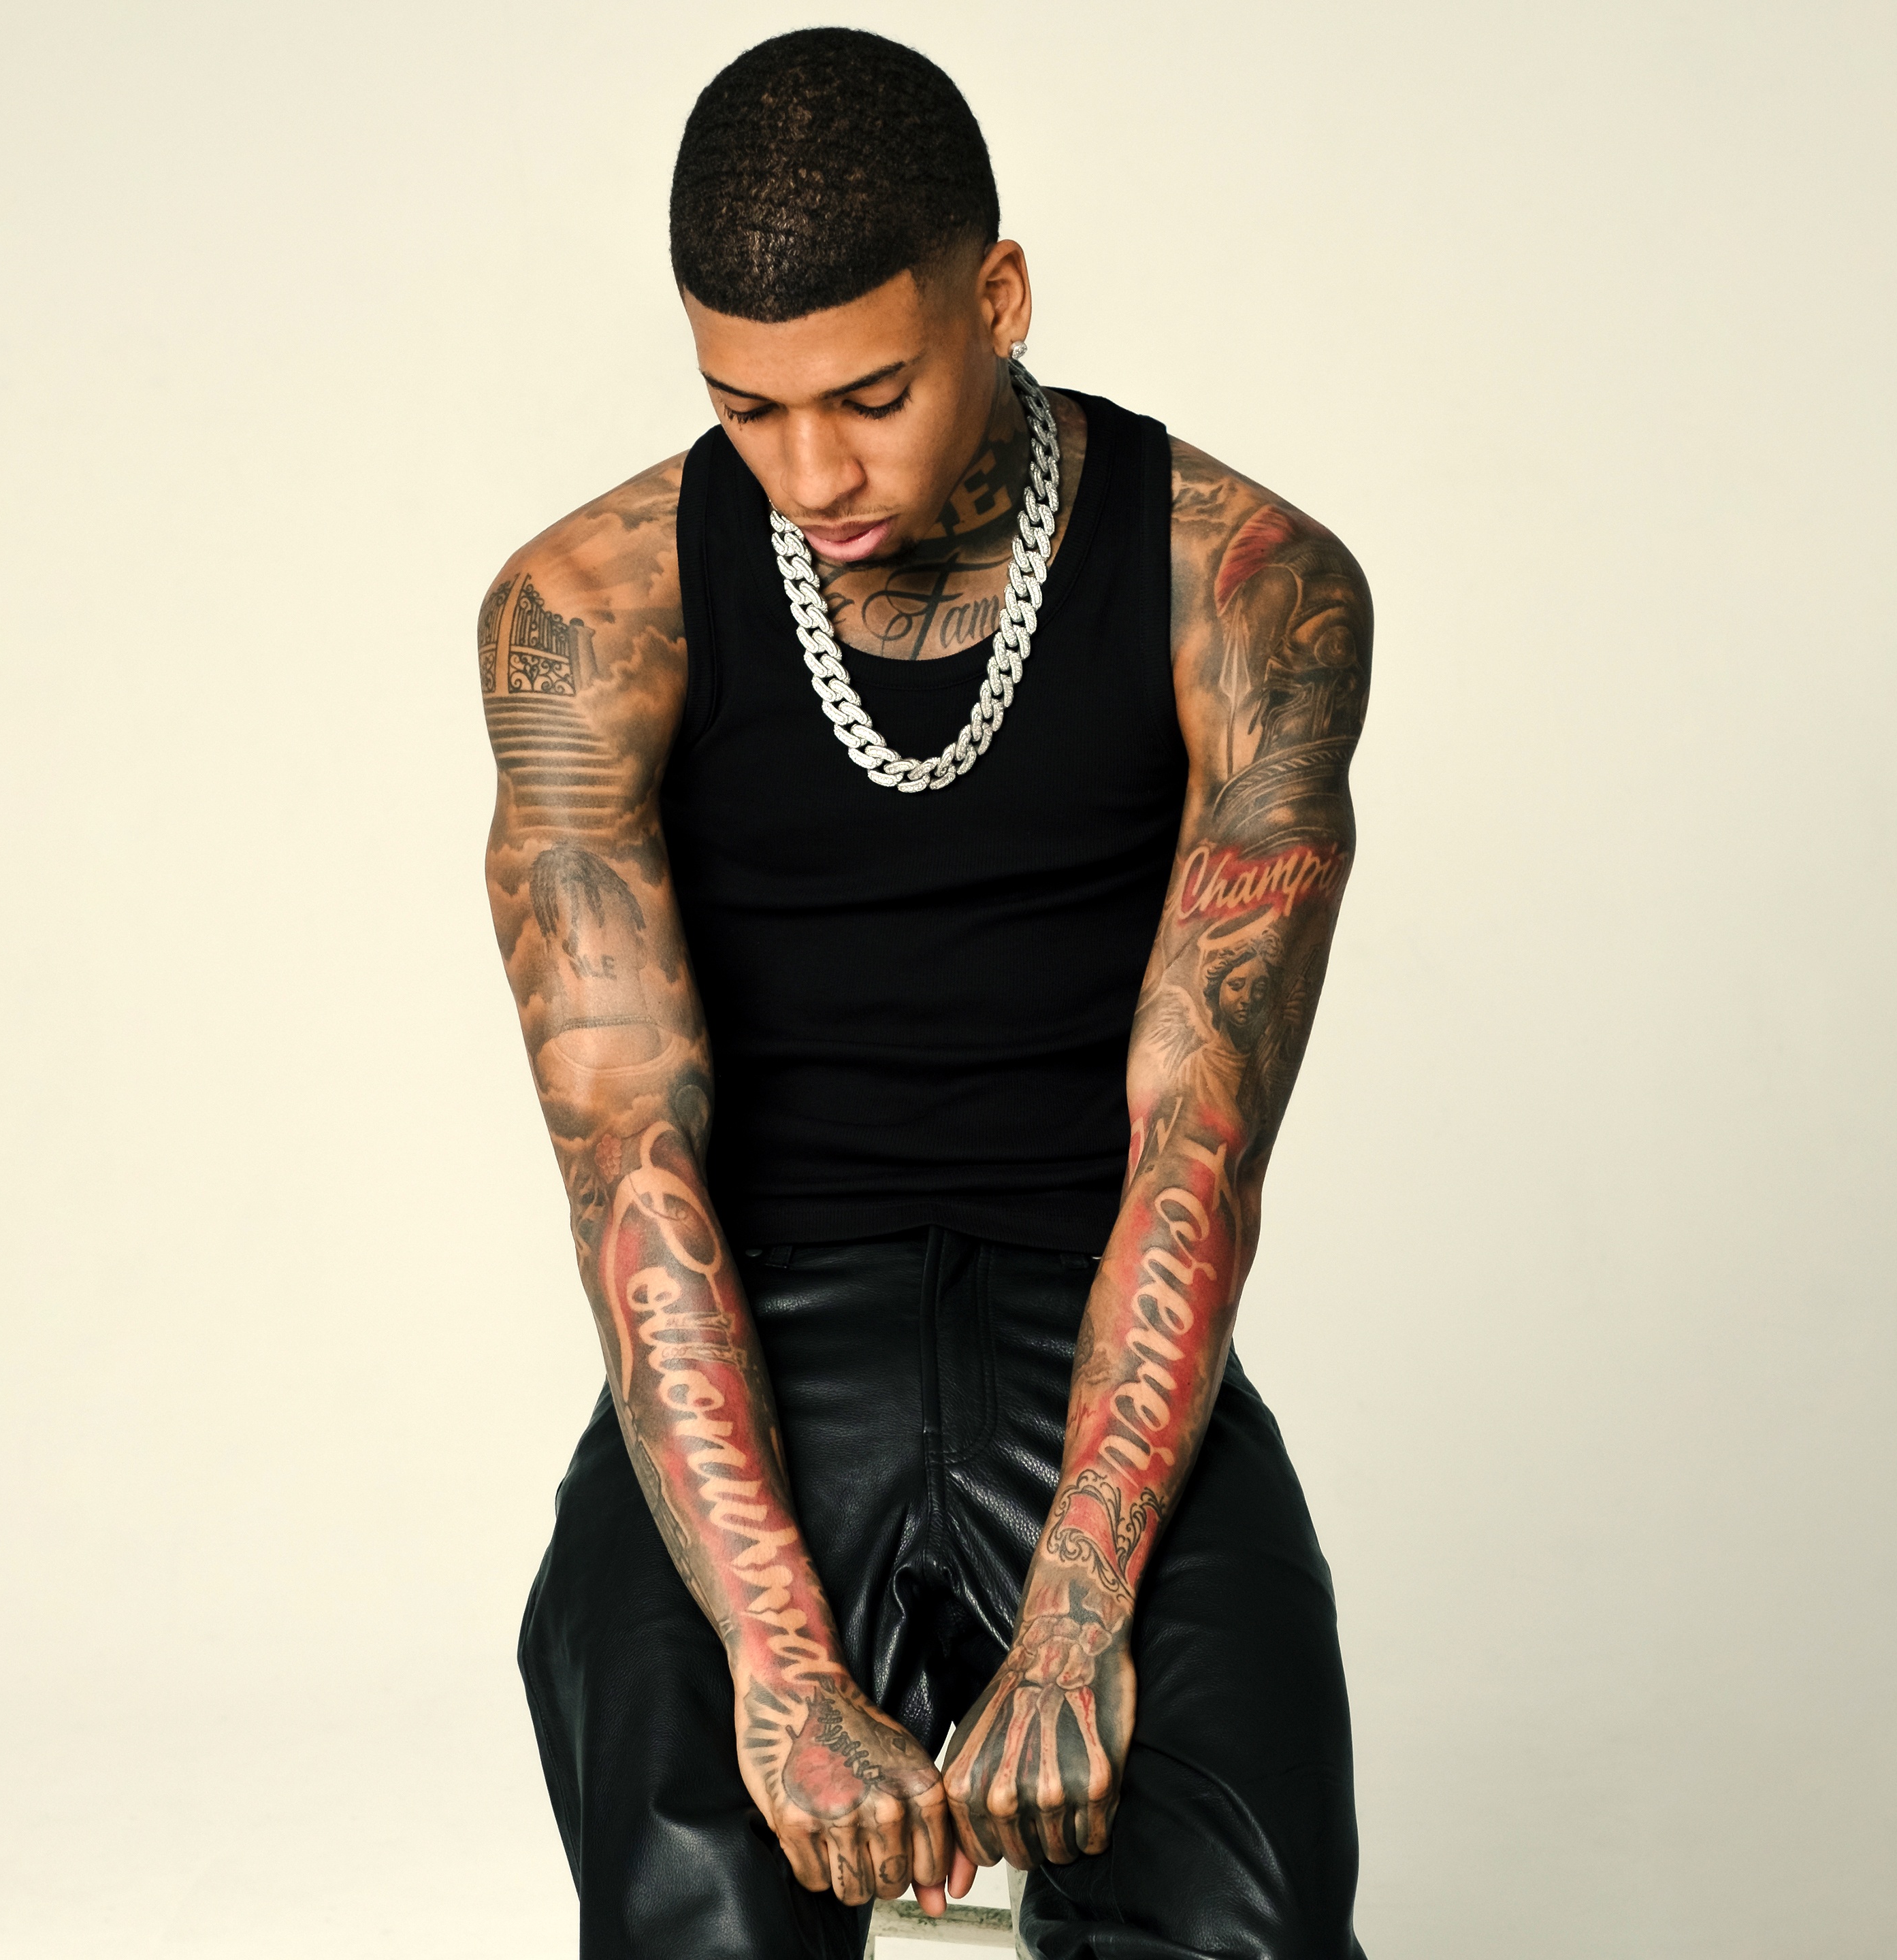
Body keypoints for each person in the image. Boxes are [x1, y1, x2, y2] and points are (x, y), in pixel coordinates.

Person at [483, 29, 1372, 1958]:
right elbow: (628, 1161)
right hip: (754, 1339)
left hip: (1104, 1328)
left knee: (1241, 1930)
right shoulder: (593, 612)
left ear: (1000, 297)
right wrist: (786, 1668)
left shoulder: (1246, 587)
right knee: (700, 1916)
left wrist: (1079, 1617)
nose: (814, 475)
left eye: (871, 396)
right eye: (748, 409)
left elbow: (1200, 1138)